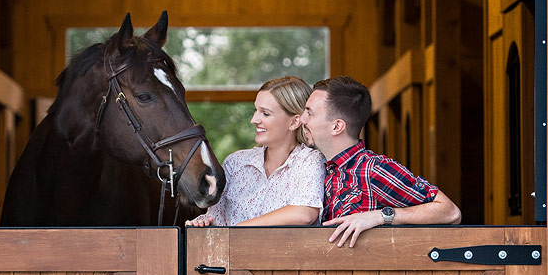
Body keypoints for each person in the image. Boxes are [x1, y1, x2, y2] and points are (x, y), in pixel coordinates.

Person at [301, 75, 461, 247]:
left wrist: (379, 216)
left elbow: (450, 212)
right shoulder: (316, 167)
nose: (302, 119)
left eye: (310, 113)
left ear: (337, 127)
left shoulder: (374, 169)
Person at [187, 76, 324, 227]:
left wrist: (240, 229)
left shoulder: (310, 160)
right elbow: (217, 220)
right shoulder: (235, 163)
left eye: (265, 113)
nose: (254, 120)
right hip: (232, 251)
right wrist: (204, 223)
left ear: (294, 122)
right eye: (256, 110)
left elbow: (305, 214)